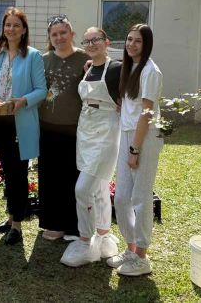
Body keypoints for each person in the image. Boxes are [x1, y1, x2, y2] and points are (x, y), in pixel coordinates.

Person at [60, 27, 122, 267]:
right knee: (100, 186)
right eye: (87, 41)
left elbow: (129, 99)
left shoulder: (116, 69)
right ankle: (103, 237)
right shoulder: (88, 69)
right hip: (86, 131)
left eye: (96, 39)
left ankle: (85, 242)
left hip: (106, 132)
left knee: (83, 189)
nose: (91, 44)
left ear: (106, 42)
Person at [0, 8, 47, 245]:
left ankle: (18, 226)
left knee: (18, 174)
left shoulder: (33, 56)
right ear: (3, 28)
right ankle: (11, 218)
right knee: (8, 172)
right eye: (8, 25)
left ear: (24, 30)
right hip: (0, 122)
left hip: (21, 124)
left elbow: (41, 90)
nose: (11, 29)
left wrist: (23, 101)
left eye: (16, 25)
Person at [106, 24, 163, 276]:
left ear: (146, 44)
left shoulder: (151, 71)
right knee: (121, 197)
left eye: (137, 41)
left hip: (144, 138)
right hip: (127, 134)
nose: (131, 44)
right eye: (129, 39)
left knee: (140, 198)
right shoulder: (130, 68)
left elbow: (147, 114)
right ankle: (130, 249)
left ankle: (142, 256)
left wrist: (135, 149)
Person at [38, 15, 89, 241]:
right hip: (47, 127)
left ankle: (73, 225)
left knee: (72, 177)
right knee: (50, 177)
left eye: (63, 33)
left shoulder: (85, 59)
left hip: (75, 128)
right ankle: (54, 223)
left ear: (72, 34)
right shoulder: (42, 60)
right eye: (54, 34)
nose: (59, 37)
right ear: (50, 38)